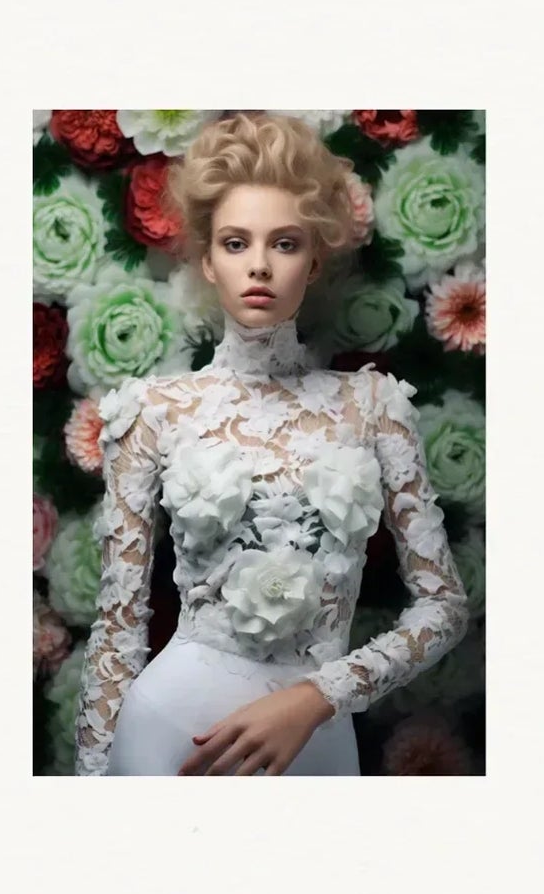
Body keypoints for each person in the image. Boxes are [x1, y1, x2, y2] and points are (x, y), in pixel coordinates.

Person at [71, 111, 471, 776]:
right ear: (206, 258)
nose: (258, 265)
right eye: (235, 243)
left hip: (314, 738)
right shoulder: (153, 410)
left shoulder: (373, 406)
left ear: (314, 261)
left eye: (284, 244)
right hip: (168, 733)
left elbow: (443, 606)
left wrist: (318, 695)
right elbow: (117, 632)